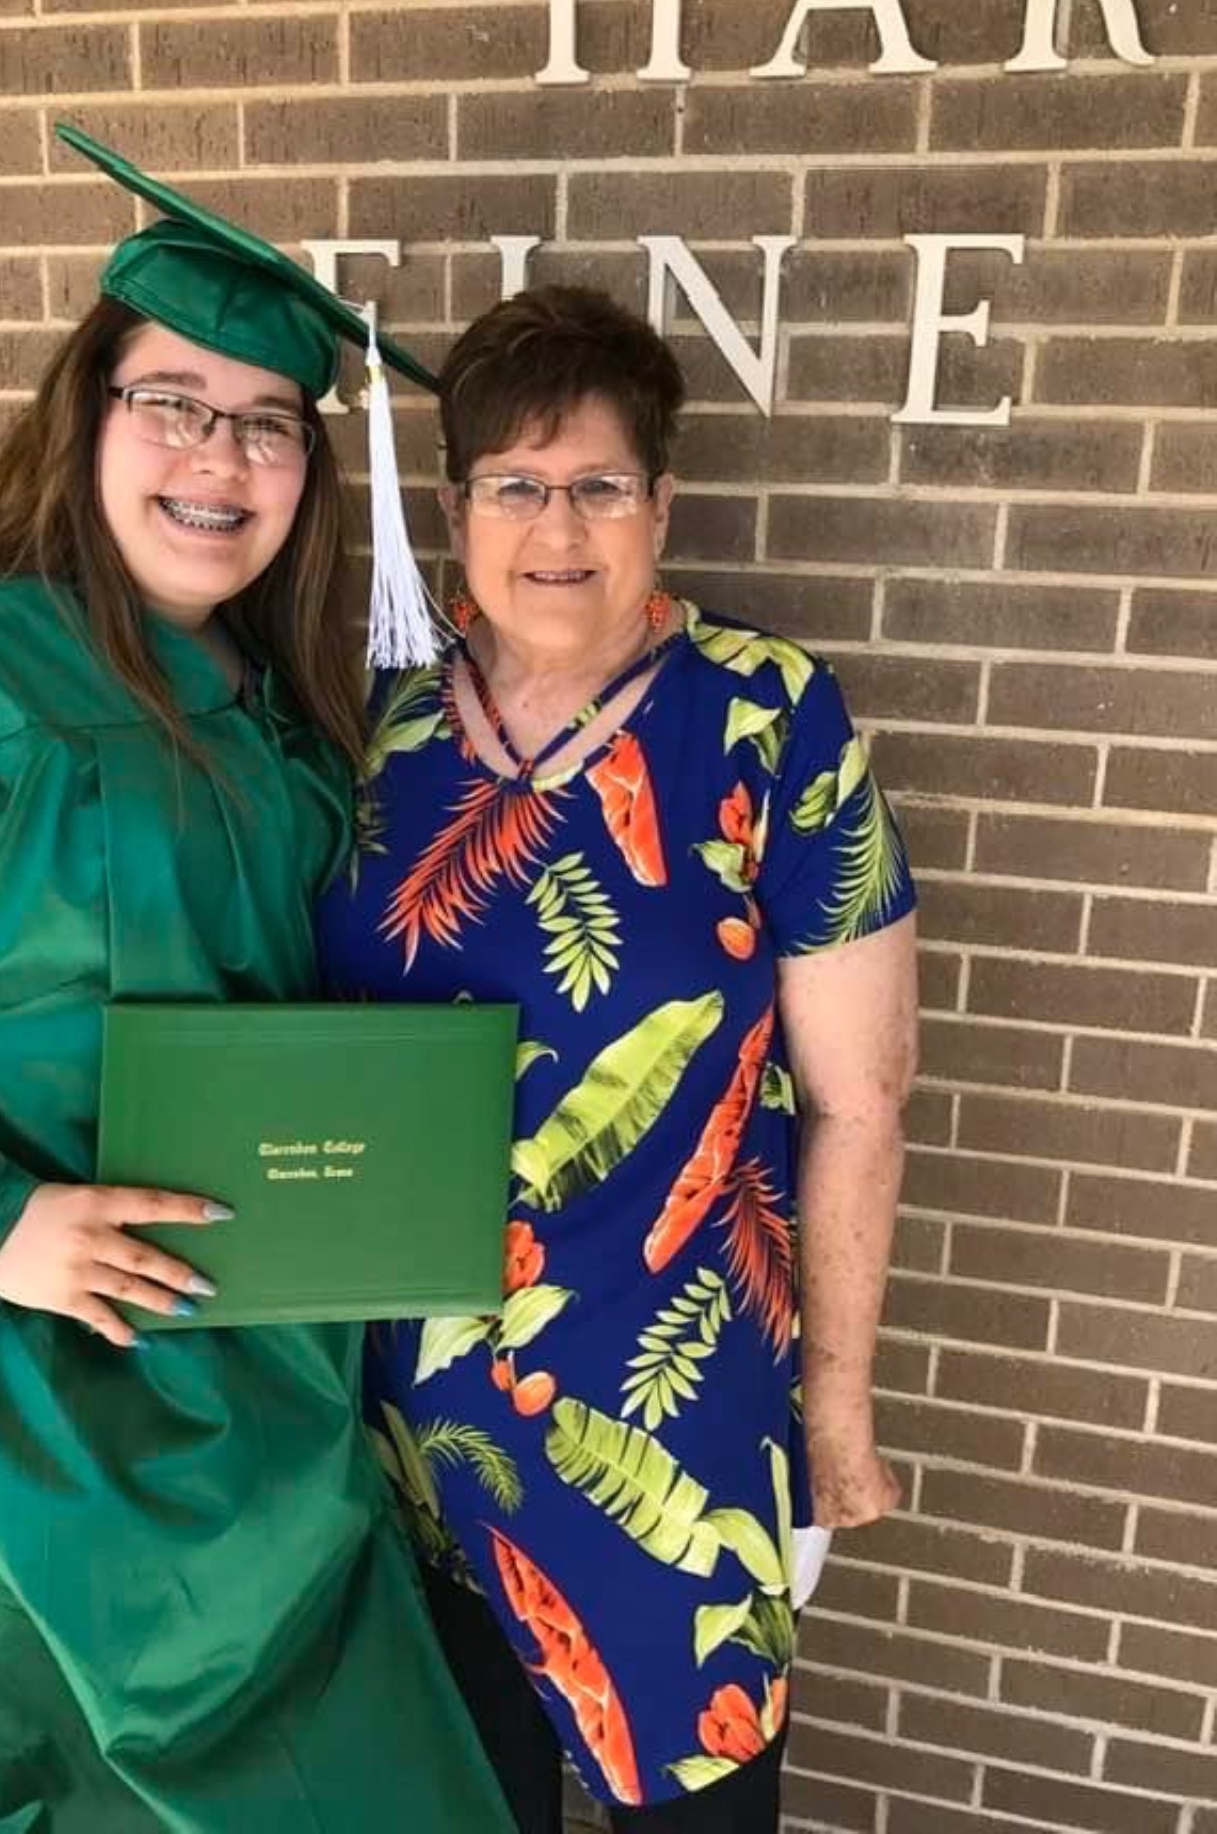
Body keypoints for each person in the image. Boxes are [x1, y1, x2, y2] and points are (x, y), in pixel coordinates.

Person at [0, 128, 514, 1834]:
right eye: (173, 401)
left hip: (250, 1391)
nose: (222, 455)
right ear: (85, 414)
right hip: (3, 1402)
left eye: (270, 422)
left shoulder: (284, 719)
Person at [317, 285, 919, 1832]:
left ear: (662, 503)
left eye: (598, 483)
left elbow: (859, 1100)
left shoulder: (769, 718)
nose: (557, 526)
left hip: (680, 1407)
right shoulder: (371, 727)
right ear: (455, 510)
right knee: (463, 1800)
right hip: (405, 1413)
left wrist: (837, 1410)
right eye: (515, 484)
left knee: (696, 1799)